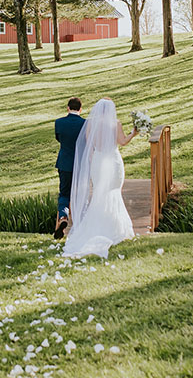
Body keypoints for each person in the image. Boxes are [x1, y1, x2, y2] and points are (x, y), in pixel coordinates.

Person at [63, 98, 137, 259]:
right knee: (114, 191)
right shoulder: (115, 123)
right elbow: (123, 142)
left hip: (98, 160)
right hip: (113, 160)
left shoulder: (91, 124)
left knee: (99, 194)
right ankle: (115, 228)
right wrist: (134, 133)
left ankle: (98, 227)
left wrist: (92, 163)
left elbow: (89, 145)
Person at [54, 96, 86, 239]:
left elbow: (59, 139)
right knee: (79, 194)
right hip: (80, 165)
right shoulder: (85, 124)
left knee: (64, 194)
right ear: (80, 109)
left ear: (68, 108)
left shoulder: (59, 123)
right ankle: (80, 225)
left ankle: (63, 216)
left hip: (65, 163)